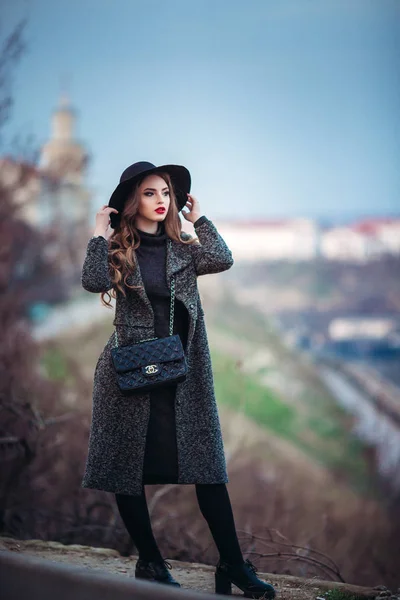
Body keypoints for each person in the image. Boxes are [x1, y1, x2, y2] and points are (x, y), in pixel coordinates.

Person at [81, 161, 276, 598]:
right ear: (132, 202)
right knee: (126, 470)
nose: (160, 200)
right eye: (150, 193)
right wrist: (98, 232)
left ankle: (232, 566)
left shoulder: (184, 249)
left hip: (183, 376)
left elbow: (222, 258)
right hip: (129, 375)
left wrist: (198, 220)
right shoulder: (115, 249)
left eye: (165, 192)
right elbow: (92, 281)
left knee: (208, 470)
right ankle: (150, 561)